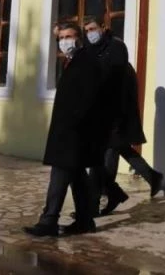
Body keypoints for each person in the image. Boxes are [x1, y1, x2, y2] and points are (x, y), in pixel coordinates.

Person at [23, 22, 115, 237]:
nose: (64, 41)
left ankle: (49, 220)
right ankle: (85, 220)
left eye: (69, 36)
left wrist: (74, 124)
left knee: (60, 174)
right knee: (77, 176)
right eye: (61, 38)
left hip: (73, 132)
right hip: (68, 130)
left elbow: (89, 97)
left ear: (79, 39)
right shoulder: (73, 61)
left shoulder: (87, 62)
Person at [83, 17, 163, 217]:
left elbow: (115, 82)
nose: (90, 33)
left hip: (115, 113)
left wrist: (117, 115)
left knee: (105, 156)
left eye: (92, 28)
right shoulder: (92, 49)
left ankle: (97, 203)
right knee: (117, 149)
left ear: (103, 27)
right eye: (87, 30)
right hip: (99, 113)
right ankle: (150, 178)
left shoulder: (116, 47)